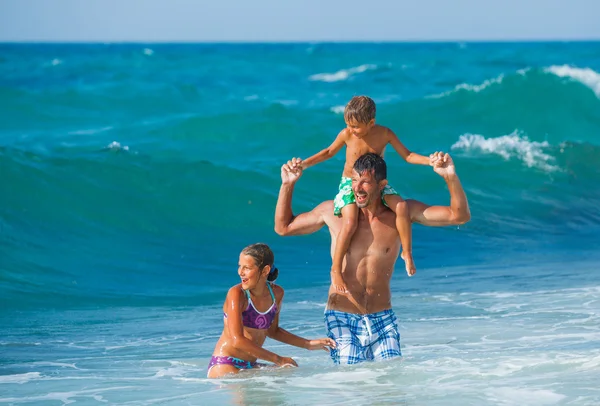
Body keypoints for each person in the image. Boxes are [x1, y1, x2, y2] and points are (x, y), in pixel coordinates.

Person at [274, 152, 470, 365]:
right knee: (352, 384)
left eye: (365, 182)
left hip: (383, 318)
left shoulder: (401, 214)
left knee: (389, 386)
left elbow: (458, 216)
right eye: (354, 180)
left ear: (381, 184)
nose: (357, 188)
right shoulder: (333, 213)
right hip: (342, 316)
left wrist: (449, 176)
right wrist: (287, 185)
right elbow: (283, 228)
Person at [300, 95, 432, 293]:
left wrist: (431, 161)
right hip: (349, 184)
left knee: (402, 206)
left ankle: (407, 252)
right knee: (350, 221)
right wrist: (304, 164)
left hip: (375, 183)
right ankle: (335, 269)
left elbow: (408, 155)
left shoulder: (385, 134)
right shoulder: (346, 135)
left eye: (355, 126)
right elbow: (328, 152)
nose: (351, 130)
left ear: (371, 122)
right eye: (348, 125)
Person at [207, 243, 336, 378]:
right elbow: (237, 340)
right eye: (240, 266)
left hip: (250, 365)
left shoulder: (276, 293)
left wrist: (308, 344)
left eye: (247, 268)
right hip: (225, 363)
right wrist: (279, 360)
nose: (240, 272)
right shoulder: (237, 294)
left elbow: (272, 331)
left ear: (265, 270)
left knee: (291, 371)